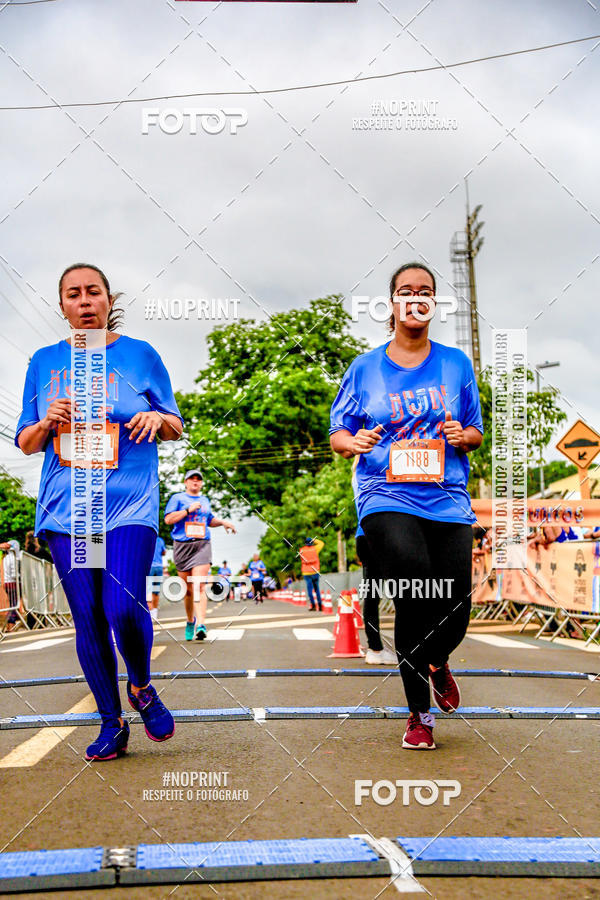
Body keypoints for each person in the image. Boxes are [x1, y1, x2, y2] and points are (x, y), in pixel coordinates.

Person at [15, 263, 184, 761]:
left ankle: (141, 686)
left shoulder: (140, 355)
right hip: (70, 509)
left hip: (128, 500)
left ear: (110, 300)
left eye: (93, 292)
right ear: (62, 306)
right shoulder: (44, 362)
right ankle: (112, 724)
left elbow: (175, 423)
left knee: (121, 605)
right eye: (74, 294)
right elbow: (26, 441)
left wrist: (157, 415)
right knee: (88, 617)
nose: (85, 301)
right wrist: (47, 420)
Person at [330, 261, 483, 750]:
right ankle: (418, 714)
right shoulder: (364, 368)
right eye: (405, 291)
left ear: (434, 303)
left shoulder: (456, 363)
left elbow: (477, 430)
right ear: (392, 304)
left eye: (425, 291)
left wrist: (465, 436)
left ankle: (437, 659)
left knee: (457, 605)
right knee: (415, 582)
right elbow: (338, 434)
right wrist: (355, 443)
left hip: (447, 498)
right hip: (384, 493)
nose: (415, 298)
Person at [164, 471, 236, 640]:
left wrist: (223, 522)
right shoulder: (177, 498)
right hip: (182, 545)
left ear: (202, 484)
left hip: (202, 544)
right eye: (192, 479)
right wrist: (188, 510)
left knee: (199, 586)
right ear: (186, 482)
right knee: (188, 591)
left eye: (199, 480)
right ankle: (190, 620)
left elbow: (209, 520)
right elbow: (168, 519)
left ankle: (201, 625)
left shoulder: (205, 500)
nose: (195, 482)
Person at [352, 457, 396, 664]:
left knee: (372, 593)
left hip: (363, 534)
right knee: (404, 590)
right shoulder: (385, 473)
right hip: (385, 533)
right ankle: (410, 648)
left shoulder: (357, 476)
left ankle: (375, 649)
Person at [1, 539, 21, 633]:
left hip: (8, 582)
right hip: (12, 582)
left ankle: (10, 625)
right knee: (13, 605)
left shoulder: (7, 558)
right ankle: (11, 625)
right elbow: (13, 573)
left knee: (12, 604)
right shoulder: (12, 558)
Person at [299, 537, 324, 611]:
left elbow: (301, 559)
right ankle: (320, 606)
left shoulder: (302, 550)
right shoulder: (315, 549)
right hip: (315, 571)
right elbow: (321, 543)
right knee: (317, 589)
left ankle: (313, 605)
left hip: (306, 572)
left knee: (309, 589)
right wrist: (314, 539)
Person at [148, 534, 166, 621]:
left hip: (149, 566)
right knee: (156, 591)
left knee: (147, 591)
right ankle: (155, 612)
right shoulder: (160, 540)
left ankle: (150, 613)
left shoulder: (146, 538)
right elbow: (164, 552)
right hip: (159, 567)